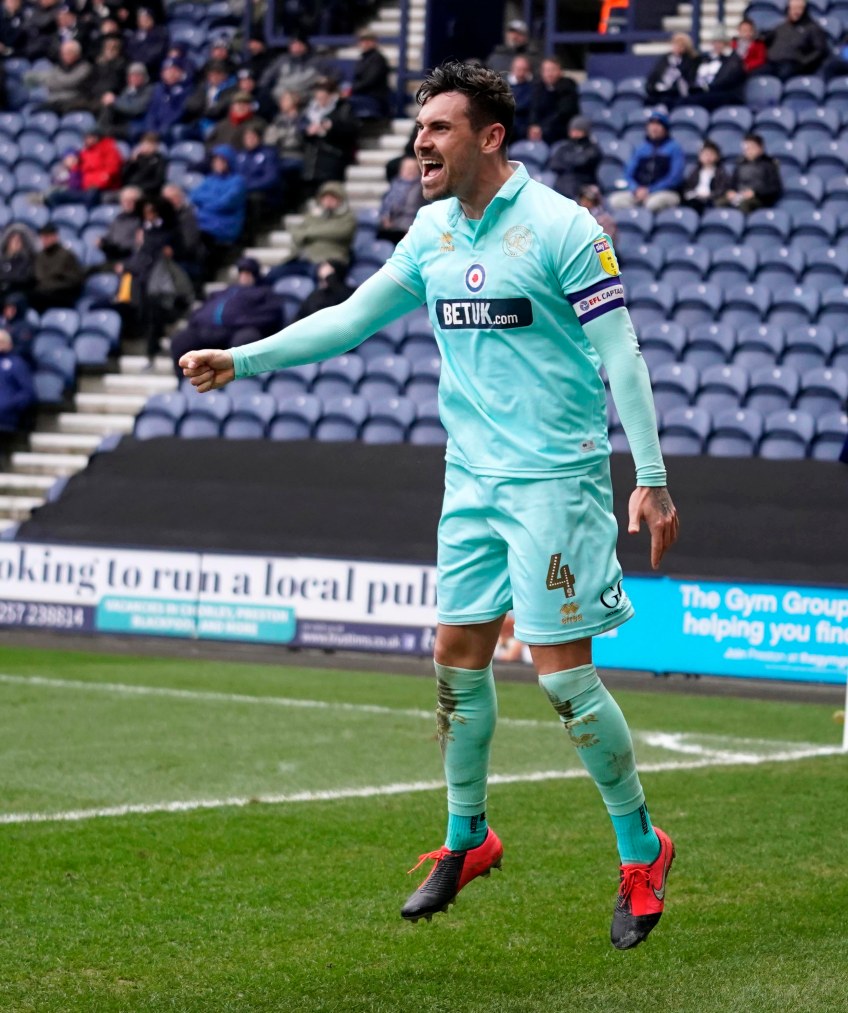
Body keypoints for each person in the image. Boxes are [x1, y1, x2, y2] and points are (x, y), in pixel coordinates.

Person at [179, 60, 679, 951]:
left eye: (439, 128)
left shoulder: (564, 226)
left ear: (490, 136)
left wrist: (651, 475)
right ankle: (467, 837)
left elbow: (622, 355)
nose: (421, 143)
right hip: (470, 478)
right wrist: (243, 358)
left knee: (564, 680)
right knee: (454, 660)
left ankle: (643, 848)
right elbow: (351, 317)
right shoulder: (432, 230)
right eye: (419, 130)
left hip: (554, 480)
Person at [168, 256, 282, 375]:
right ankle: (187, 381)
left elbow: (270, 315)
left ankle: (238, 382)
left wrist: (240, 322)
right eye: (242, 273)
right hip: (208, 329)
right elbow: (203, 309)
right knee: (181, 341)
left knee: (245, 341)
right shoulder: (224, 292)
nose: (244, 276)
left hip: (237, 330)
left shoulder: (264, 293)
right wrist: (197, 320)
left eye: (248, 273)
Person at [265, 180, 356, 281]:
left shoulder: (347, 218)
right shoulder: (312, 216)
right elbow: (296, 233)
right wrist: (317, 233)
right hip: (304, 259)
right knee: (273, 274)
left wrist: (308, 233)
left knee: (322, 275)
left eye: (333, 197)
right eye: (325, 197)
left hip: (330, 260)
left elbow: (339, 232)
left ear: (340, 199)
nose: (328, 200)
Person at [608, 110, 685, 212]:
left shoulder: (674, 148)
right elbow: (628, 173)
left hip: (665, 192)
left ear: (665, 128)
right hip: (639, 192)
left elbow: (674, 177)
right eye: (651, 124)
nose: (654, 128)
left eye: (658, 125)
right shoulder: (641, 148)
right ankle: (636, 218)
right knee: (615, 200)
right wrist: (635, 188)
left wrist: (650, 190)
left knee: (652, 204)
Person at [299, 76, 360, 193]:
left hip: (333, 155)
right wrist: (308, 130)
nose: (320, 97)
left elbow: (351, 129)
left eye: (324, 93)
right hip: (311, 156)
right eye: (318, 93)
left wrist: (331, 127)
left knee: (330, 189)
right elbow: (300, 128)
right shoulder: (309, 110)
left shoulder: (343, 108)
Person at [761, 0, 830, 80]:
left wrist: (804, 62)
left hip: (791, 64)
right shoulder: (781, 27)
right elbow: (765, 41)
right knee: (757, 75)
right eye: (793, 9)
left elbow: (820, 49)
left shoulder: (812, 28)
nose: (796, 12)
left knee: (782, 75)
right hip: (771, 63)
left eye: (799, 9)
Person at [684, 24, 746, 109]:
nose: (717, 45)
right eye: (715, 42)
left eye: (720, 42)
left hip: (726, 94)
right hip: (706, 92)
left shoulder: (733, 59)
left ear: (726, 43)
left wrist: (707, 87)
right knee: (683, 100)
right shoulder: (706, 59)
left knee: (694, 100)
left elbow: (726, 80)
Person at [719, 132, 783, 213]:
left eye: (751, 147)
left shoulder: (769, 165)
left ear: (761, 148)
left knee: (744, 204)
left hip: (759, 199)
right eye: (746, 148)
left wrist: (755, 193)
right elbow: (733, 183)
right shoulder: (740, 164)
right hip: (739, 196)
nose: (748, 150)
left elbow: (774, 188)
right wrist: (731, 191)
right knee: (720, 202)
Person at [31, 223, 85, 312]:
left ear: (55, 237)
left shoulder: (67, 255)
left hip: (62, 294)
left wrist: (51, 286)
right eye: (43, 237)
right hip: (43, 292)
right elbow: (38, 277)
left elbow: (75, 281)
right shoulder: (40, 256)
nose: (44, 240)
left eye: (47, 237)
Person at [526, 56, 579, 145]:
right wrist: (533, 125)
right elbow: (534, 108)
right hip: (541, 128)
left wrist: (541, 128)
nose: (549, 74)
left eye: (553, 70)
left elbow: (563, 112)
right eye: (547, 70)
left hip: (560, 128)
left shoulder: (568, 86)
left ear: (560, 71)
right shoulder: (538, 87)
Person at [97, 61, 154, 141]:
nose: (134, 78)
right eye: (132, 75)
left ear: (144, 77)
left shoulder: (149, 90)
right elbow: (122, 104)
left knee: (107, 130)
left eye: (138, 75)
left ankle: (101, 132)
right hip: (123, 124)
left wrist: (115, 101)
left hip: (137, 125)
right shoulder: (128, 90)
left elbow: (136, 108)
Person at [548, 115, 601, 199]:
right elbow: (554, 164)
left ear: (585, 132)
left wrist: (568, 162)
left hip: (584, 185)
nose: (574, 133)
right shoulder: (564, 147)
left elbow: (582, 162)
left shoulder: (592, 148)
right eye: (573, 130)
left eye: (578, 130)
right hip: (562, 184)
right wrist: (572, 164)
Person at [376, 156, 426, 244]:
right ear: (401, 170)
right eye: (407, 168)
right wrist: (385, 217)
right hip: (391, 227)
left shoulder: (422, 187)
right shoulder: (394, 185)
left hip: (411, 227)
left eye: (413, 168)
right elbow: (385, 206)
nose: (410, 171)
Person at [644, 32, 698, 108]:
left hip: (676, 93)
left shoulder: (691, 60)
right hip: (661, 91)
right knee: (648, 100)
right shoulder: (666, 58)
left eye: (680, 45)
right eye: (675, 44)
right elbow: (655, 74)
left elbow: (689, 79)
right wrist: (652, 87)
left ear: (686, 47)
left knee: (668, 100)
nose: (677, 47)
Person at [348, 29, 391, 119]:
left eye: (369, 40)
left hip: (373, 97)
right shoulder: (363, 58)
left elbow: (370, 80)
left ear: (374, 42)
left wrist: (351, 90)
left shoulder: (378, 59)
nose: (365, 43)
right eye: (363, 40)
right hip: (361, 94)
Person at [0, 328, 35, 435]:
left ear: (9, 344)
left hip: (7, 416)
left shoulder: (17, 364)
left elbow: (28, 393)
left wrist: (7, 405)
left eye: (2, 341)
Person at [682, 140, 731, 212]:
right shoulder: (695, 171)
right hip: (695, 199)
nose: (708, 157)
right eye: (705, 154)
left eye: (711, 154)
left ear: (717, 156)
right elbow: (688, 187)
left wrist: (710, 195)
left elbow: (722, 189)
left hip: (710, 199)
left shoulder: (721, 172)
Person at [97, 185, 143, 262]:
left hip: (130, 260)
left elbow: (135, 246)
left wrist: (115, 248)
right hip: (113, 258)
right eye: (125, 200)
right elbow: (109, 237)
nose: (128, 203)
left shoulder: (141, 220)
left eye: (132, 201)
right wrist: (102, 242)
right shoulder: (118, 219)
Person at [506, 55, 534, 140]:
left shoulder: (533, 87)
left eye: (524, 70)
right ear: (512, 69)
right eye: (518, 69)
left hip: (523, 126)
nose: (521, 73)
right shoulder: (503, 84)